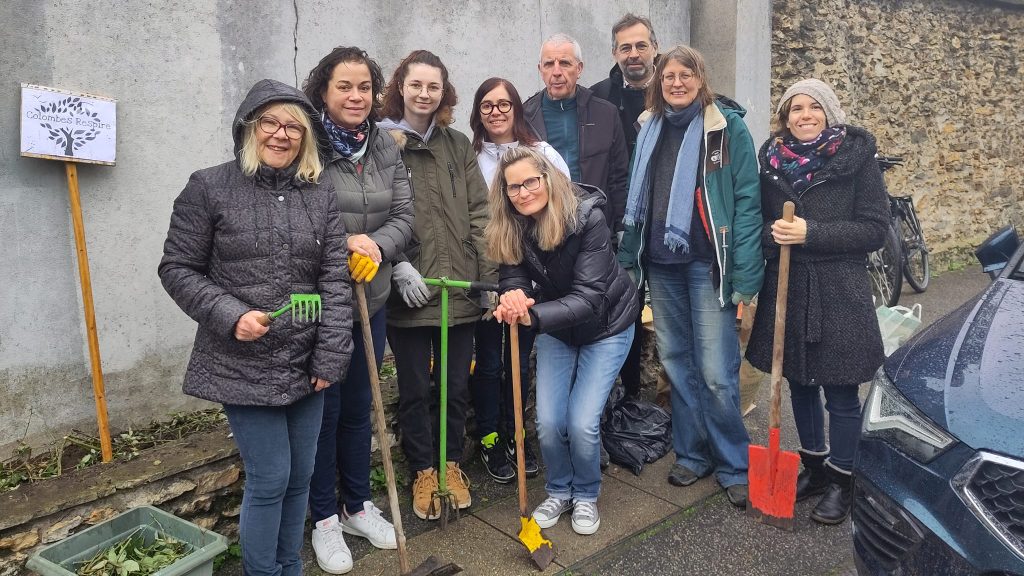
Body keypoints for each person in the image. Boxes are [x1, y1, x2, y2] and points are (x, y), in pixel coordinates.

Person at [158, 79, 351, 576]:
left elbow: (334, 280)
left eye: (294, 127)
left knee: (301, 475)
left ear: (305, 137)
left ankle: (290, 566)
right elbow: (177, 268)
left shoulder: (319, 195)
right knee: (270, 478)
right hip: (242, 363)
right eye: (270, 122)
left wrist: (330, 356)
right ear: (249, 126)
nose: (281, 134)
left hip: (306, 363)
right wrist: (231, 315)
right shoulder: (209, 187)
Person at [616, 45, 764, 508]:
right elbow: (636, 197)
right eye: (669, 77)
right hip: (661, 264)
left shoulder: (725, 128)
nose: (676, 83)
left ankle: (734, 463)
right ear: (658, 84)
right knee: (677, 362)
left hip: (708, 264)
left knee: (717, 372)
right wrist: (629, 258)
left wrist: (746, 273)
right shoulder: (648, 127)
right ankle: (693, 453)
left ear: (701, 79)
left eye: (686, 75)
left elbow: (747, 202)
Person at [746, 78, 889, 525]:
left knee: (841, 392)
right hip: (789, 286)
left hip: (839, 288)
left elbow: (874, 229)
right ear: (784, 118)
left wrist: (811, 232)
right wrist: (773, 234)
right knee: (800, 384)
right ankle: (814, 465)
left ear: (829, 114)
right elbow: (759, 222)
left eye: (814, 107)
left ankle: (842, 479)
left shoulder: (856, 159)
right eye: (796, 109)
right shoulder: (771, 162)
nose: (805, 115)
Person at [301, 46, 413, 573]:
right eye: (344, 86)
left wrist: (377, 246)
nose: (355, 96)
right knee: (323, 413)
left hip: (374, 298)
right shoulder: (307, 144)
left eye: (364, 87)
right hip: (324, 305)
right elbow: (296, 221)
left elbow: (405, 215)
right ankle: (324, 517)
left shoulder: (385, 145)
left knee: (358, 408)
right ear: (323, 91)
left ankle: (357, 506)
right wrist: (345, 244)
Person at [488, 146, 638, 536]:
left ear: (548, 178)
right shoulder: (512, 223)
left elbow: (588, 298)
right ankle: (559, 489)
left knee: (582, 422)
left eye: (530, 182)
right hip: (558, 327)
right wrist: (514, 297)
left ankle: (585, 493)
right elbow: (513, 275)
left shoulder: (588, 218)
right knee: (550, 420)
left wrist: (532, 316)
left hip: (606, 326)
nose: (523, 193)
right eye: (513, 187)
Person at [377, 50, 495, 521]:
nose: (424, 94)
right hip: (410, 288)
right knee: (413, 389)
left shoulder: (457, 144)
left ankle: (450, 465)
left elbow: (480, 212)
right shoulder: (382, 143)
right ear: (400, 88)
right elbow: (373, 214)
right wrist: (396, 263)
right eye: (416, 85)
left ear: (444, 92)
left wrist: (487, 277)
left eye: (433, 86)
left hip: (458, 286)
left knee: (454, 385)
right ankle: (423, 471)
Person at [467, 77, 569, 485]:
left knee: (519, 360)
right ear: (478, 112)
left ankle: (516, 435)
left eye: (504, 104)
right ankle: (490, 437)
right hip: (486, 274)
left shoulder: (541, 154)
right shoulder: (470, 156)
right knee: (489, 362)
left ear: (516, 109)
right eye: (487, 105)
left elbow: (565, 206)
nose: (496, 112)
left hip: (528, 276)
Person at [590, 13, 660, 402]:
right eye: (625, 47)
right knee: (622, 307)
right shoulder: (598, 97)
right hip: (618, 221)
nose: (633, 54)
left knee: (671, 315)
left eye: (641, 45)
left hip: (666, 221)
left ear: (654, 48)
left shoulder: (674, 89)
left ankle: (672, 403)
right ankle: (627, 397)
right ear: (615, 52)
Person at [523, 33, 629, 236]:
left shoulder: (606, 113)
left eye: (565, 63)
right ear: (540, 70)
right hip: (542, 228)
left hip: (595, 225)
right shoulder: (525, 117)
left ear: (579, 68)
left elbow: (618, 178)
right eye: (548, 64)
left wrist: (622, 228)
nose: (556, 72)